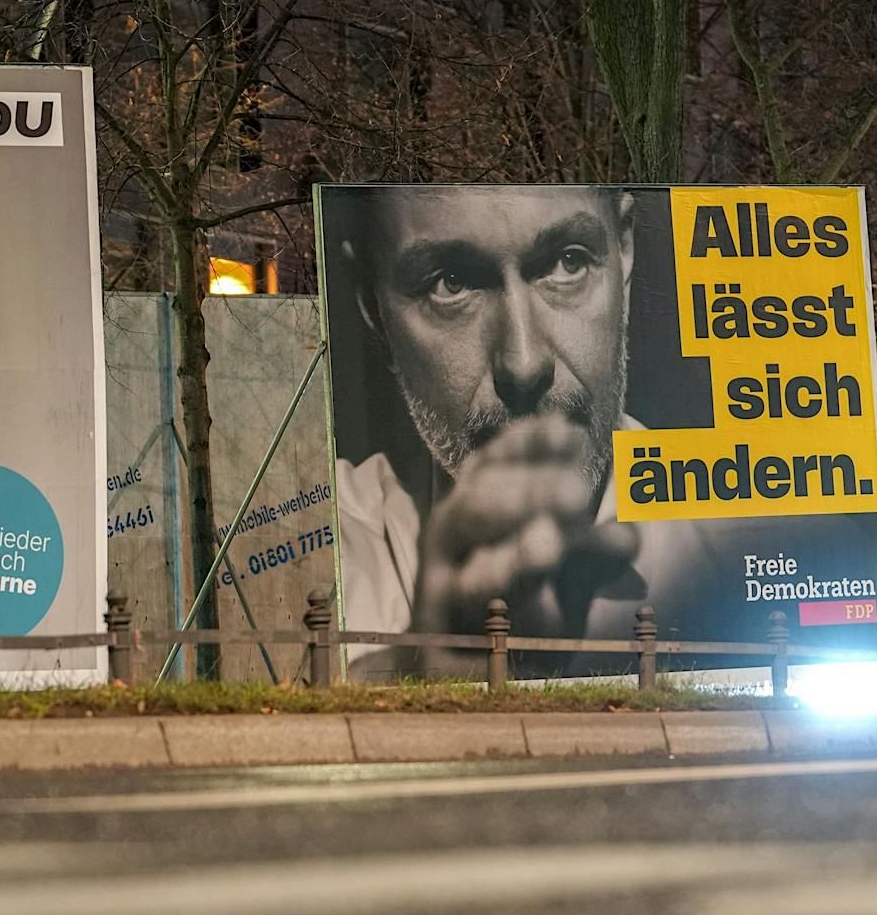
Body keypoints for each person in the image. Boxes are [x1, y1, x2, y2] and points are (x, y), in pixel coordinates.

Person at [331, 185, 793, 673]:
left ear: (625, 249)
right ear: (373, 309)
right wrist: (415, 674)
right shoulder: (314, 542)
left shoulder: (770, 537)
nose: (525, 365)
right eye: (450, 283)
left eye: (566, 264)